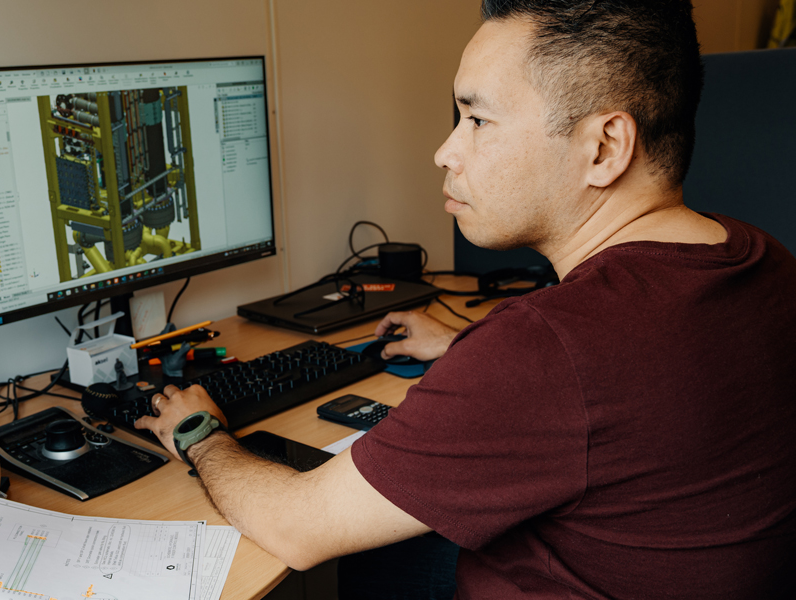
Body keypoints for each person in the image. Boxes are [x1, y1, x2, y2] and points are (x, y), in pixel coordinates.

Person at [134, 0, 796, 598]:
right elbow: (628, 380)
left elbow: (300, 529)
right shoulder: (761, 259)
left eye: (478, 118)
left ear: (604, 147)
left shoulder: (545, 355)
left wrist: (199, 432)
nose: (446, 151)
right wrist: (468, 347)